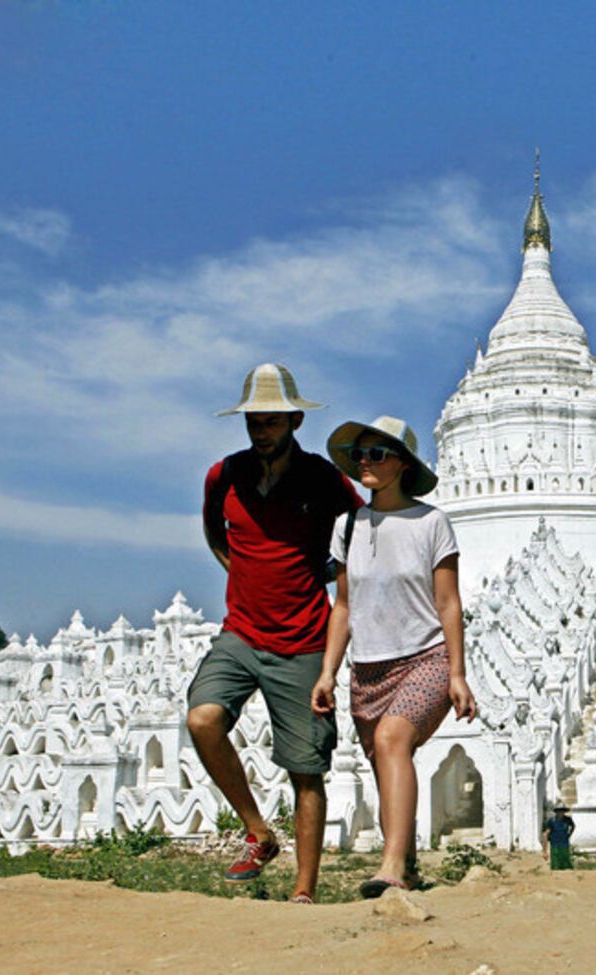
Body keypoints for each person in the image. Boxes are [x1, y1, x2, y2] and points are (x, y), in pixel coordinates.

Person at [188, 363, 360, 904]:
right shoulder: (224, 475)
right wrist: (242, 575)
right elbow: (216, 533)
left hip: (305, 639)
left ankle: (304, 891)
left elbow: (364, 533)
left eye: (271, 422)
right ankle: (259, 831)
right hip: (240, 632)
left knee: (306, 769)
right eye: (254, 423)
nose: (261, 432)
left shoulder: (325, 481)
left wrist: (334, 586)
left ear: (294, 421)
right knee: (203, 717)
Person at [311, 415, 478, 898]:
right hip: (368, 667)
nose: (365, 462)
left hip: (425, 658)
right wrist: (328, 672)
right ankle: (404, 862)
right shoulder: (346, 527)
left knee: (391, 740)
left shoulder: (431, 523)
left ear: (402, 464)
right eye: (360, 455)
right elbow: (343, 605)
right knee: (385, 763)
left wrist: (458, 674)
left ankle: (389, 868)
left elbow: (449, 602)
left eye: (377, 454)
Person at [542, 802, 576, 870]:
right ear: (556, 811)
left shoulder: (568, 820)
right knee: (556, 866)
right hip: (555, 846)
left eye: (562, 810)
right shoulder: (551, 821)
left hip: (565, 845)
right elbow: (545, 834)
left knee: (566, 866)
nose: (561, 812)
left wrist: (569, 835)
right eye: (559, 811)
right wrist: (544, 851)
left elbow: (573, 826)